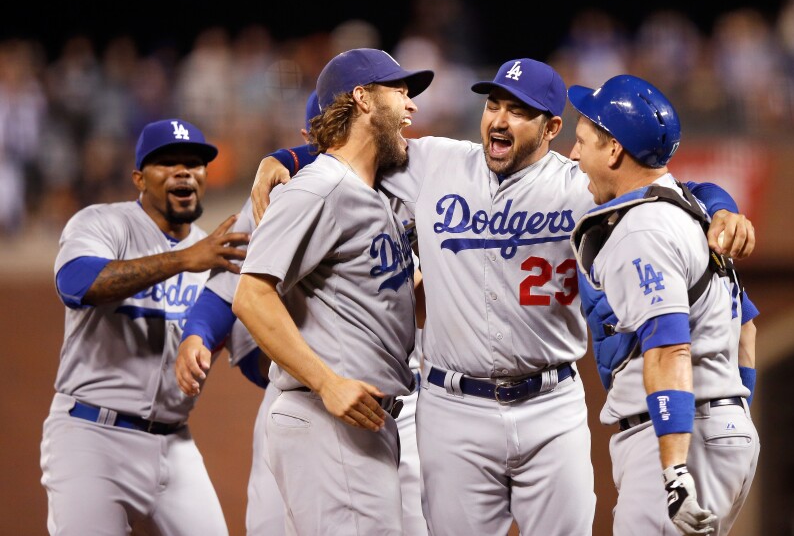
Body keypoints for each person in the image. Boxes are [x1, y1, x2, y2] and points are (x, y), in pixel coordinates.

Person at [250, 57, 757, 535]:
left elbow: (665, 187)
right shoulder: (434, 163)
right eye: (494, 104)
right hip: (453, 407)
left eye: (518, 111)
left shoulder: (580, 184)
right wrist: (282, 158)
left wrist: (722, 206)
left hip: (551, 403)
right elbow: (359, 146)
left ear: (552, 129)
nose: (500, 118)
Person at [175, 89, 429, 535]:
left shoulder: (398, 185)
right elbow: (237, 290)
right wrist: (198, 336)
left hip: (396, 398)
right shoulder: (289, 195)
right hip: (311, 392)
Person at [567, 74, 760, 535]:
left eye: (582, 142)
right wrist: (733, 417)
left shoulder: (643, 229)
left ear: (614, 150)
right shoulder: (690, 209)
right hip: (714, 427)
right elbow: (747, 330)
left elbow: (668, 348)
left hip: (678, 438)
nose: (574, 155)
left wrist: (675, 470)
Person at [40, 118, 250, 535]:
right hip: (90, 438)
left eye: (194, 163)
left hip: (175, 445)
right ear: (139, 178)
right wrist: (184, 261)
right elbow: (76, 283)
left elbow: (248, 352)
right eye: (166, 163)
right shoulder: (103, 223)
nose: (183, 171)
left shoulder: (213, 253)